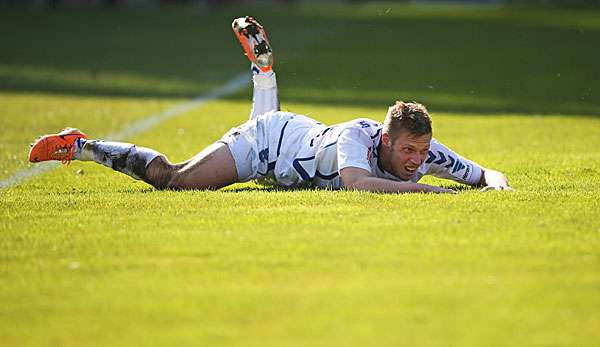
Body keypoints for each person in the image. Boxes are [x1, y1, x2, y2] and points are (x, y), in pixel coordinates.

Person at [28, 16, 513, 194]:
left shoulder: (424, 153)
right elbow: (356, 182)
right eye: (409, 151)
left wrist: (499, 187)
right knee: (173, 180)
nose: (416, 161)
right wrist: (429, 193)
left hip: (289, 137)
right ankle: (83, 145)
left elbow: (483, 174)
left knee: (267, 124)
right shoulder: (356, 139)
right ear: (386, 139)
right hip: (265, 145)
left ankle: (264, 74)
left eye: (421, 152)